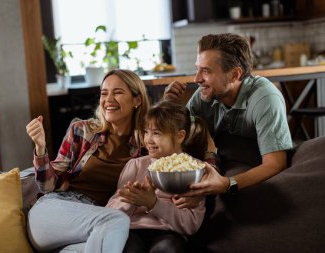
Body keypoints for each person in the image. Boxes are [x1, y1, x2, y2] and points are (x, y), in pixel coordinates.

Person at [25, 69, 150, 253]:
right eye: (104, 93)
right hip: (54, 211)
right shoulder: (82, 131)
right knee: (117, 220)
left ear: (137, 100)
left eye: (118, 92)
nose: (108, 99)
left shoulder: (146, 146)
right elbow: (47, 186)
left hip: (95, 224)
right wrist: (40, 148)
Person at [163, 33, 293, 197]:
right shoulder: (205, 94)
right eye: (197, 69)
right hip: (217, 162)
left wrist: (226, 184)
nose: (196, 79)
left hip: (251, 163)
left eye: (206, 71)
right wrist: (168, 103)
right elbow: (176, 136)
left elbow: (275, 164)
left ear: (234, 74)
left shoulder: (265, 98)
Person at [106, 100, 220, 253]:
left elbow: (191, 225)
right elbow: (109, 213)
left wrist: (154, 203)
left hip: (170, 235)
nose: (148, 140)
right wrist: (133, 200)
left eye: (157, 133)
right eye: (146, 132)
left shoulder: (195, 169)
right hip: (131, 230)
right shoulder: (135, 165)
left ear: (179, 136)